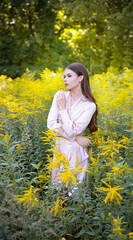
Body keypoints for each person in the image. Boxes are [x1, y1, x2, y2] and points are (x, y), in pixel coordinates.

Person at [47, 62, 98, 192]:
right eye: (64, 76)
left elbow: (72, 130)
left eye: (69, 76)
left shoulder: (89, 105)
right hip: (60, 151)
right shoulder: (59, 96)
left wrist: (63, 109)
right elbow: (51, 124)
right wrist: (76, 137)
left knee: (75, 198)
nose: (65, 80)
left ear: (80, 78)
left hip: (76, 156)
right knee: (58, 197)